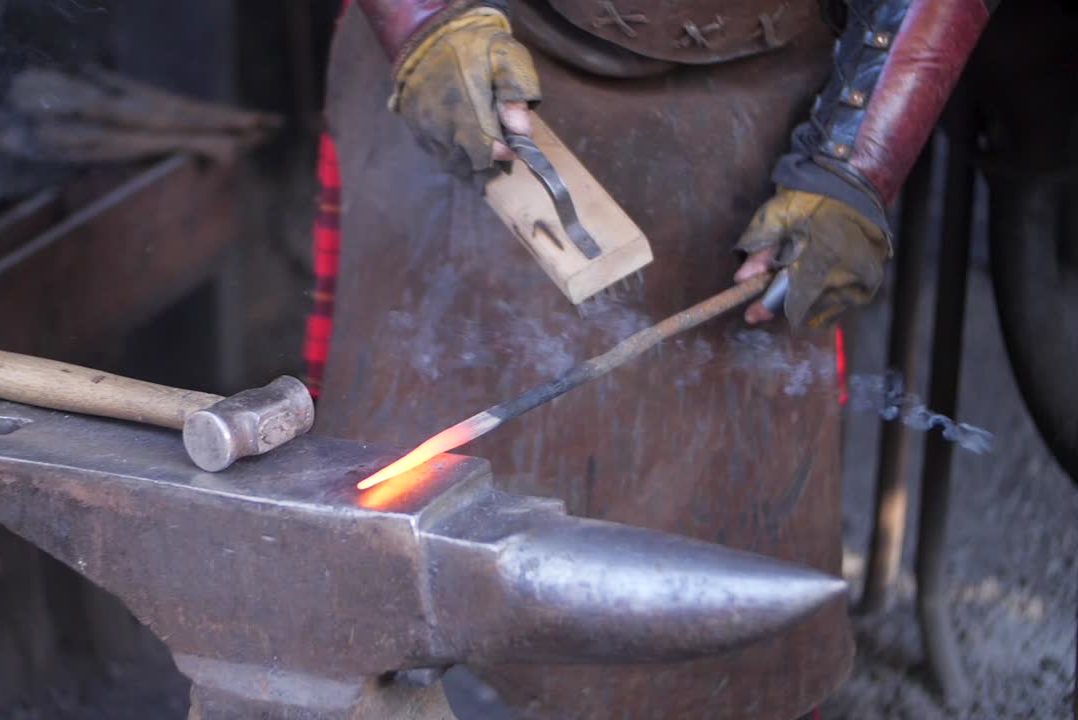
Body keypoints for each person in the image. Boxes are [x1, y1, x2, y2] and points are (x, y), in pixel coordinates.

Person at [309, 0, 994, 717]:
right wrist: (420, 20)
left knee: (722, 601)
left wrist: (862, 154)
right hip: (474, 62)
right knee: (381, 562)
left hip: (767, 112)